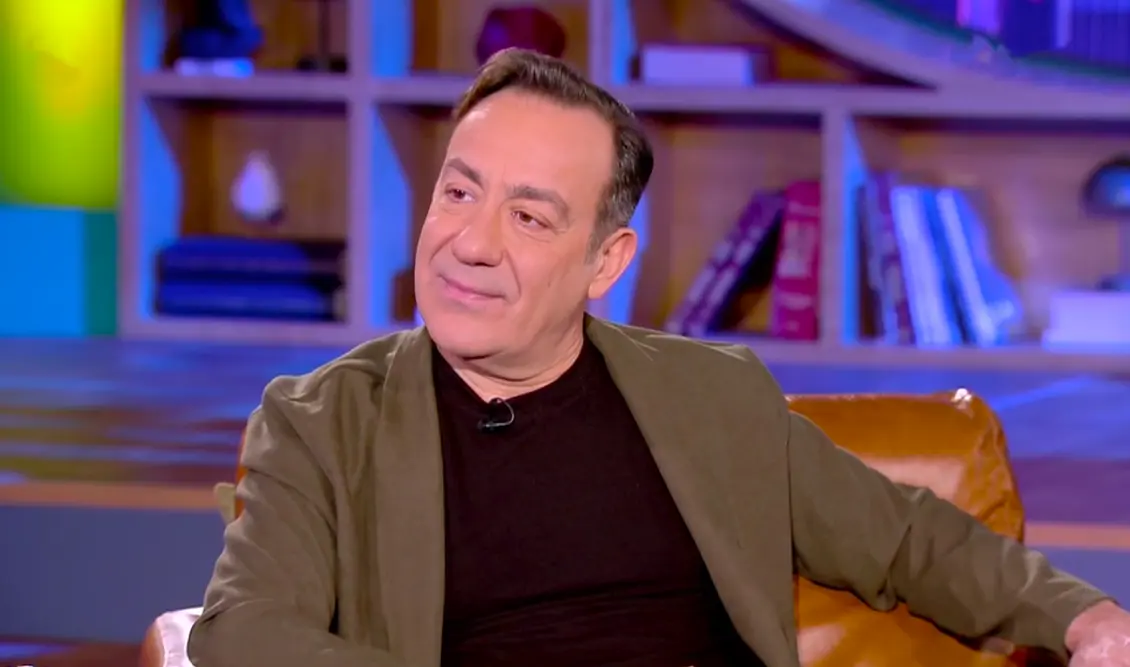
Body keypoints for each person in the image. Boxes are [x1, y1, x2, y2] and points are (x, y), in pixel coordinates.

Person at [186, 48, 1129, 667]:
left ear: (606, 262)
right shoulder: (321, 422)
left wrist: (1086, 619)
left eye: (528, 216)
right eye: (458, 193)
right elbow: (246, 631)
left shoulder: (710, 396)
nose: (470, 243)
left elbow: (908, 540)